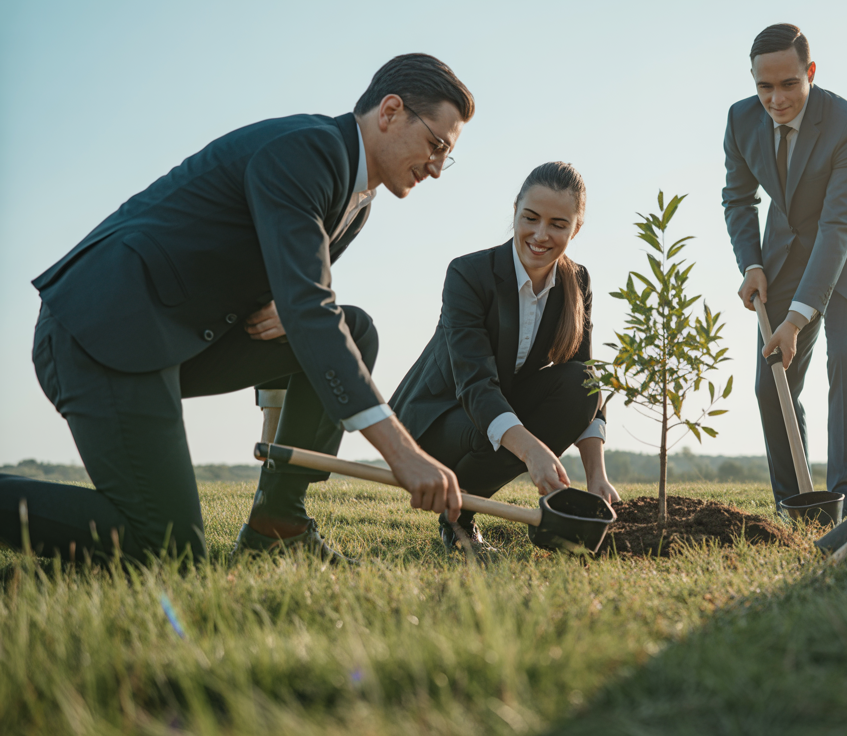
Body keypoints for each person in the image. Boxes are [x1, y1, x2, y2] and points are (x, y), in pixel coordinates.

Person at [1, 53, 473, 565]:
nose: (436, 167)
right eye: (436, 144)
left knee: (355, 330)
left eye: (446, 156)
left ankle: (278, 524)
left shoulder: (357, 203)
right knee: (170, 553)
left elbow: (300, 310)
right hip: (101, 331)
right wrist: (401, 451)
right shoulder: (307, 151)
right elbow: (309, 307)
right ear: (390, 111)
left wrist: (288, 308)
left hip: (176, 339)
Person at [389, 162, 618, 555]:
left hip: (497, 409)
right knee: (491, 423)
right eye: (530, 218)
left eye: (558, 224)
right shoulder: (468, 274)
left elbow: (586, 380)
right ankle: (457, 519)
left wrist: (596, 474)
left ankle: (460, 506)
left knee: (580, 384)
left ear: (576, 228)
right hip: (434, 420)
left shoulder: (577, 281)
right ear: (514, 211)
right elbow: (476, 385)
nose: (540, 235)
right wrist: (532, 450)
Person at [722, 24, 847, 515]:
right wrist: (752, 263)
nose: (776, 99)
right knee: (770, 380)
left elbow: (838, 225)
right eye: (764, 86)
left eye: (789, 84)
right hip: (784, 257)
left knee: (844, 357)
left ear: (810, 73)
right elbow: (738, 198)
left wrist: (797, 320)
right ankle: (795, 500)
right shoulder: (739, 121)